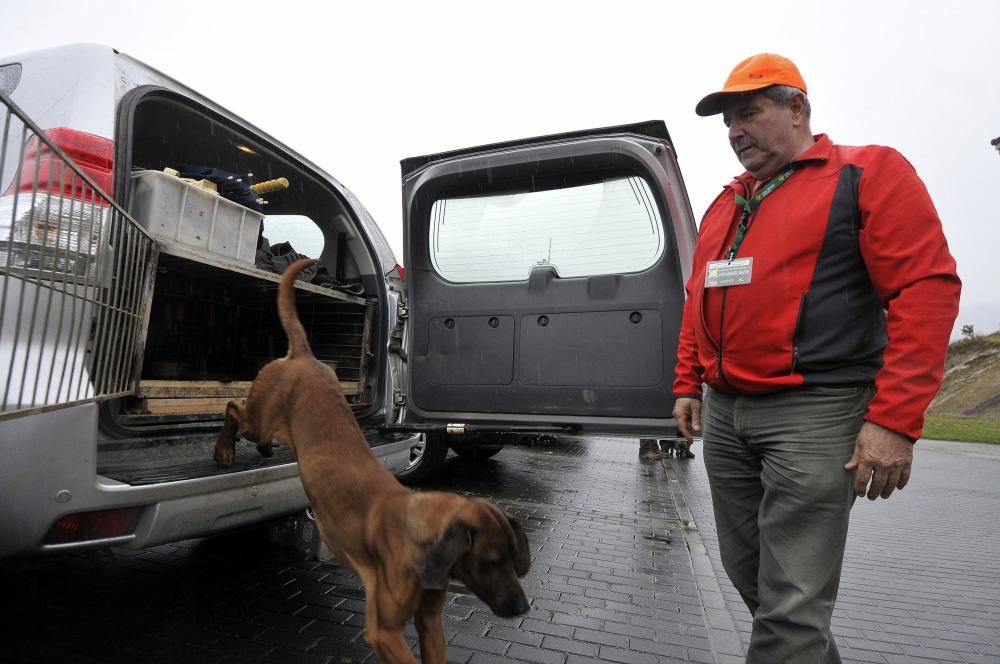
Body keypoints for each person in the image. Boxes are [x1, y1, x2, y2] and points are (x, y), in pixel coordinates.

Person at [672, 53, 961, 663]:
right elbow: (698, 297)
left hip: (815, 414)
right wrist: (688, 382)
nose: (735, 132)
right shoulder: (728, 202)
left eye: (748, 113)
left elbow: (926, 290)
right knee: (754, 578)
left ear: (797, 107)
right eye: (728, 122)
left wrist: (892, 420)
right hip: (725, 415)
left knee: (792, 601)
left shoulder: (866, 173)